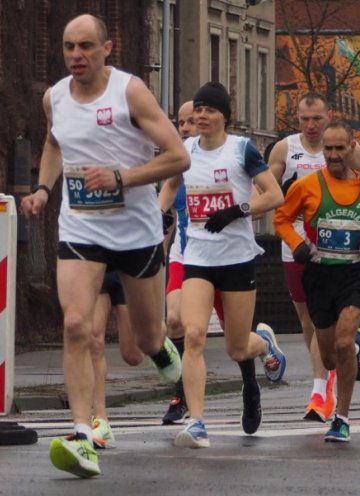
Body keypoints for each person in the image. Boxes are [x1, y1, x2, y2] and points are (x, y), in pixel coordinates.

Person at [20, 14, 188, 478]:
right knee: (76, 324)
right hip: (81, 229)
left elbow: (179, 156)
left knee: (147, 337)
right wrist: (43, 189)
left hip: (136, 232)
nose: (77, 55)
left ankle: (161, 351)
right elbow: (55, 144)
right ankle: (82, 435)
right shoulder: (53, 97)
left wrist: (123, 177)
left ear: (107, 48)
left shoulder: (129, 92)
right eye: (69, 47)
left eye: (86, 47)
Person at [160, 82, 286, 447]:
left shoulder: (240, 150)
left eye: (209, 110)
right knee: (194, 334)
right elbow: (170, 186)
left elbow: (274, 195)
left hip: (237, 259)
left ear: (224, 117)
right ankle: (197, 421)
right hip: (198, 258)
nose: (201, 115)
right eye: (197, 109)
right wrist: (158, 214)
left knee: (235, 348)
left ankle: (262, 344)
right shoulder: (184, 151)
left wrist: (238, 209)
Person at [274, 121, 360, 442]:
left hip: (356, 274)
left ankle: (342, 417)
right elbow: (282, 218)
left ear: (352, 147)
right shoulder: (307, 186)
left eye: (339, 148)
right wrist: (297, 245)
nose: (333, 155)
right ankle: (351, 353)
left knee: (343, 342)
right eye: (328, 149)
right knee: (329, 357)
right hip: (320, 274)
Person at [265, 93, 360, 422]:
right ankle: (346, 349)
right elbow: (266, 191)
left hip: (340, 247)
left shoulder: (346, 149)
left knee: (316, 318)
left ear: (329, 117)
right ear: (296, 120)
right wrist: (287, 193)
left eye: (317, 119)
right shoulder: (285, 149)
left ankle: (320, 392)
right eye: (304, 119)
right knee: (307, 320)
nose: (310, 126)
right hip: (297, 245)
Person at [157, 100, 227, 425]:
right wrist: (158, 222)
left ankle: (263, 347)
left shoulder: (219, 156)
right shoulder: (177, 158)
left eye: (189, 122)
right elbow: (168, 198)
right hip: (184, 254)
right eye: (180, 122)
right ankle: (181, 395)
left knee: (237, 341)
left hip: (220, 255)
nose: (184, 127)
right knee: (174, 321)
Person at [87, 269, 145, 447]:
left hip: (128, 261)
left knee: (133, 355)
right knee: (94, 339)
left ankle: (156, 336)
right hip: (97, 260)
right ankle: (100, 419)